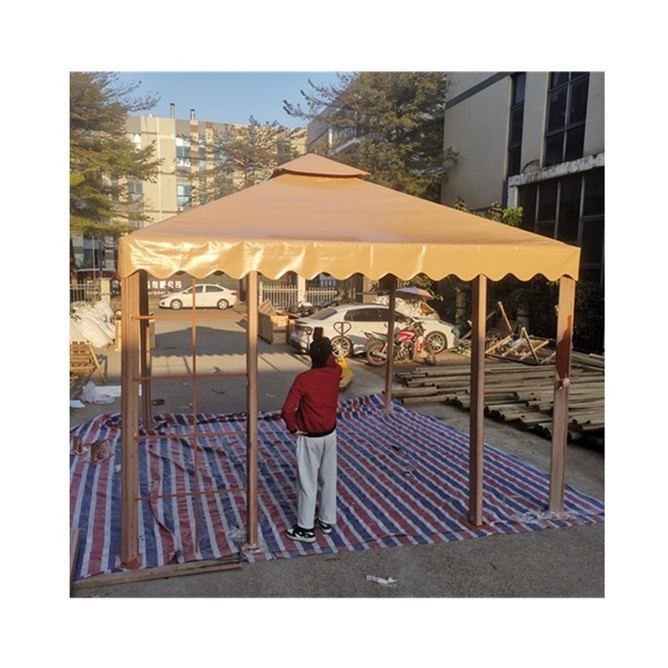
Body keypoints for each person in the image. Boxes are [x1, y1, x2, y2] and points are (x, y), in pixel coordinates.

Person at [281, 336, 342, 543]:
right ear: (329, 355)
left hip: (309, 436)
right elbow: (332, 362)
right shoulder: (336, 372)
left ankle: (305, 528)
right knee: (328, 478)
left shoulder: (303, 379)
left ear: (310, 355)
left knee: (307, 482)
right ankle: (326, 520)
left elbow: (287, 410)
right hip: (330, 434)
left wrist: (292, 428)